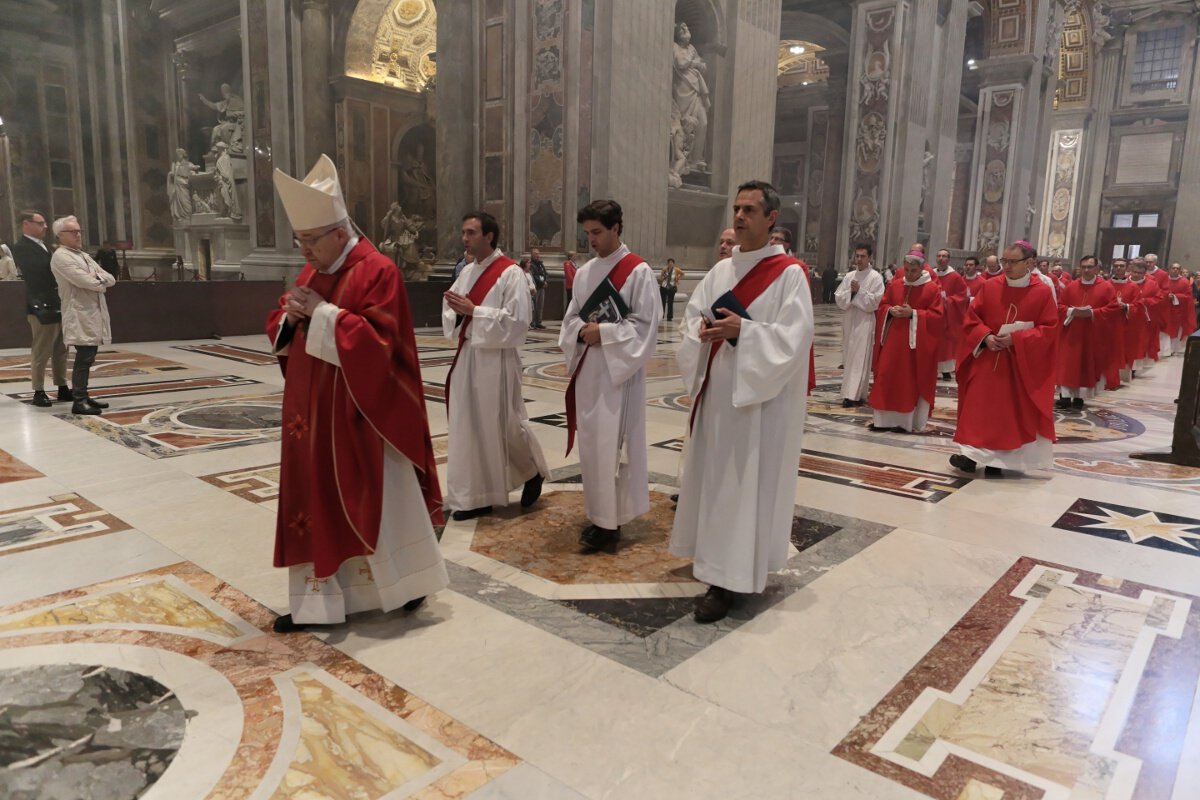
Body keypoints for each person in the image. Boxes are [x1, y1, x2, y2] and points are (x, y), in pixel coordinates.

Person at [264, 155, 446, 633]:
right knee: (315, 499)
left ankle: (407, 584)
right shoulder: (311, 271)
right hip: (310, 418)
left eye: (309, 240)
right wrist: (292, 316)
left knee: (381, 501)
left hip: (363, 415)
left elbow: (382, 344)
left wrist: (323, 315)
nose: (303, 251)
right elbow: (285, 321)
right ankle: (319, 604)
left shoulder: (377, 270)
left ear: (339, 234)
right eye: (299, 240)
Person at [670, 180, 813, 624]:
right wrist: (699, 330)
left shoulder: (789, 273)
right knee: (715, 479)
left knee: (741, 482)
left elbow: (795, 338)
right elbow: (692, 315)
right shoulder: (720, 271)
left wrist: (744, 332)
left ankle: (729, 577)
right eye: (736, 209)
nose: (739, 217)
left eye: (750, 210)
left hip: (756, 401)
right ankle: (711, 557)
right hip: (718, 394)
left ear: (772, 219)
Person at [559, 200, 661, 553]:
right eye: (586, 233)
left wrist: (605, 332)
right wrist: (580, 331)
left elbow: (646, 327)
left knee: (614, 447)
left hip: (620, 374)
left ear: (617, 227)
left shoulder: (638, 271)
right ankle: (599, 516)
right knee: (593, 447)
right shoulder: (586, 273)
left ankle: (611, 523)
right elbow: (571, 317)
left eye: (597, 232)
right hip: (590, 370)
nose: (591, 240)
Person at [442, 212, 548, 521]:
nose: (465, 238)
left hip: (496, 357)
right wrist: (459, 314)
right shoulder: (466, 273)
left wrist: (475, 311)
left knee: (503, 424)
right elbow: (451, 311)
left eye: (471, 232)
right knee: (469, 425)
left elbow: (518, 322)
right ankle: (477, 496)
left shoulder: (510, 273)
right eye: (463, 232)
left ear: (489, 236)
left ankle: (532, 470)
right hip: (468, 355)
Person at [951, 240, 1058, 477]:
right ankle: (970, 456)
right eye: (1004, 261)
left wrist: (1017, 339)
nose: (1006, 266)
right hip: (987, 359)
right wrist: (986, 336)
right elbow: (971, 318)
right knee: (976, 410)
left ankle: (998, 462)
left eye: (1012, 262)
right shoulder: (990, 286)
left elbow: (1049, 329)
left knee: (1007, 416)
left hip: (1018, 366)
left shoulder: (1041, 292)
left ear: (1029, 263)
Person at [867, 252, 945, 433]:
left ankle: (905, 423)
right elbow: (882, 306)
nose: (909, 274)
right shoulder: (895, 285)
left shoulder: (931, 289)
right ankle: (882, 421)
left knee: (907, 381)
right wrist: (889, 310)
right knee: (886, 377)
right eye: (907, 270)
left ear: (922, 269)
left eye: (913, 270)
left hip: (915, 348)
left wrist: (914, 313)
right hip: (892, 342)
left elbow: (937, 317)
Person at [49, 216, 116, 416]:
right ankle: (78, 400)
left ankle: (84, 396)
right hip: (79, 313)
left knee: (89, 356)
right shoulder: (62, 257)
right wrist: (98, 280)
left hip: (92, 312)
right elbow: (89, 282)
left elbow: (110, 278)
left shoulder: (83, 255)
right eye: (73, 231)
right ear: (61, 235)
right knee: (84, 357)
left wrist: (99, 279)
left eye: (79, 231)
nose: (78, 234)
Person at [13, 210, 70, 407]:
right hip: (40, 305)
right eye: (41, 223)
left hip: (57, 301)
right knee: (42, 350)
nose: (45, 226)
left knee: (61, 348)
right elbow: (38, 273)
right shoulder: (21, 247)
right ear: (26, 224)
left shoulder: (44, 246)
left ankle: (62, 386)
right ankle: (39, 390)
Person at [1055, 255, 1119, 410]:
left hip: (1092, 334)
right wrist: (1071, 310)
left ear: (1097, 269)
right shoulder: (1071, 286)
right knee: (1067, 364)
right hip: (1071, 333)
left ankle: (1079, 398)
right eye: (1083, 267)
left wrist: (1092, 313)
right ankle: (1064, 396)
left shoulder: (1106, 287)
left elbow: (1113, 308)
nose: (1086, 270)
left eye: (1090, 267)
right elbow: (1060, 305)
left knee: (1085, 364)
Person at [834, 243, 884, 407]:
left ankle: (852, 395)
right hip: (850, 319)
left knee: (860, 357)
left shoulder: (876, 277)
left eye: (863, 256)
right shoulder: (849, 276)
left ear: (870, 257)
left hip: (865, 320)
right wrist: (852, 292)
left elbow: (876, 302)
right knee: (849, 356)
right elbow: (839, 298)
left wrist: (859, 292)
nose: (859, 259)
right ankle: (856, 393)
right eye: (857, 256)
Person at [933, 248, 968, 380]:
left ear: (949, 259)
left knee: (946, 343)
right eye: (939, 255)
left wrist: (947, 301)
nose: (941, 258)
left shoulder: (955, 277)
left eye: (944, 256)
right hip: (934, 313)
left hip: (948, 314)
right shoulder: (931, 274)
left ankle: (946, 371)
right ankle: (933, 368)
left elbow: (962, 295)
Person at [1109, 259, 1144, 384]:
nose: (1119, 268)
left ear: (1127, 268)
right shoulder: (1106, 284)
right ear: (1112, 267)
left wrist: (1127, 306)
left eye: (1121, 266)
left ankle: (1119, 378)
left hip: (1125, 324)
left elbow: (1139, 306)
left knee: (1123, 350)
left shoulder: (1133, 287)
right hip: (1107, 324)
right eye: (1116, 265)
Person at [1130, 260, 1163, 369]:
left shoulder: (1152, 284)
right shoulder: (1125, 282)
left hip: (1143, 320)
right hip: (1127, 318)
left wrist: (1145, 301)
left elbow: (1158, 298)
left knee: (1139, 343)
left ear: (1145, 273)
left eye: (1139, 273)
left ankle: (1134, 368)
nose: (1136, 275)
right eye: (1134, 272)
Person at [1165, 262, 1197, 353]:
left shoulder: (1184, 282)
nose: (1175, 270)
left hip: (1178, 311)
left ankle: (1174, 349)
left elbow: (1188, 297)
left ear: (1180, 270)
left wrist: (1175, 296)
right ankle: (1165, 350)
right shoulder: (1165, 280)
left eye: (1178, 268)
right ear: (1169, 269)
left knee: (1176, 330)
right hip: (1166, 310)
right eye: (1173, 268)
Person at [528, 247, 548, 329]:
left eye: (538, 254)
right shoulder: (531, 265)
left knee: (540, 305)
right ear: (532, 255)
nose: (538, 255)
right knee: (534, 306)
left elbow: (545, 273)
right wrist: (542, 282)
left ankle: (539, 322)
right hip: (536, 287)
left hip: (542, 287)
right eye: (536, 254)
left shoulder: (540, 264)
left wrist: (545, 281)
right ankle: (532, 322)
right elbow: (534, 276)